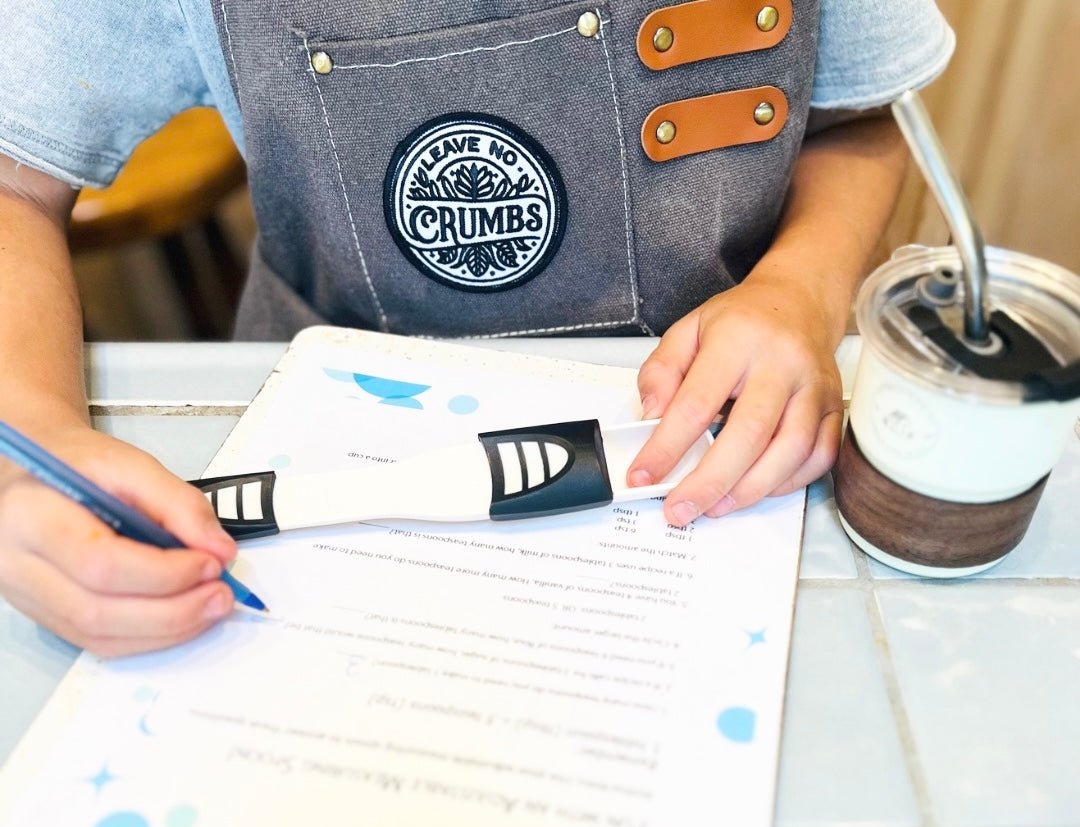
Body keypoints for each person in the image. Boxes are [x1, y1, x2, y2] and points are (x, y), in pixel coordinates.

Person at [0, 0, 954, 656]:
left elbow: (860, 118)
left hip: (721, 459)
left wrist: (803, 289)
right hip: (332, 480)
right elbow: (14, 181)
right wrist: (25, 452)